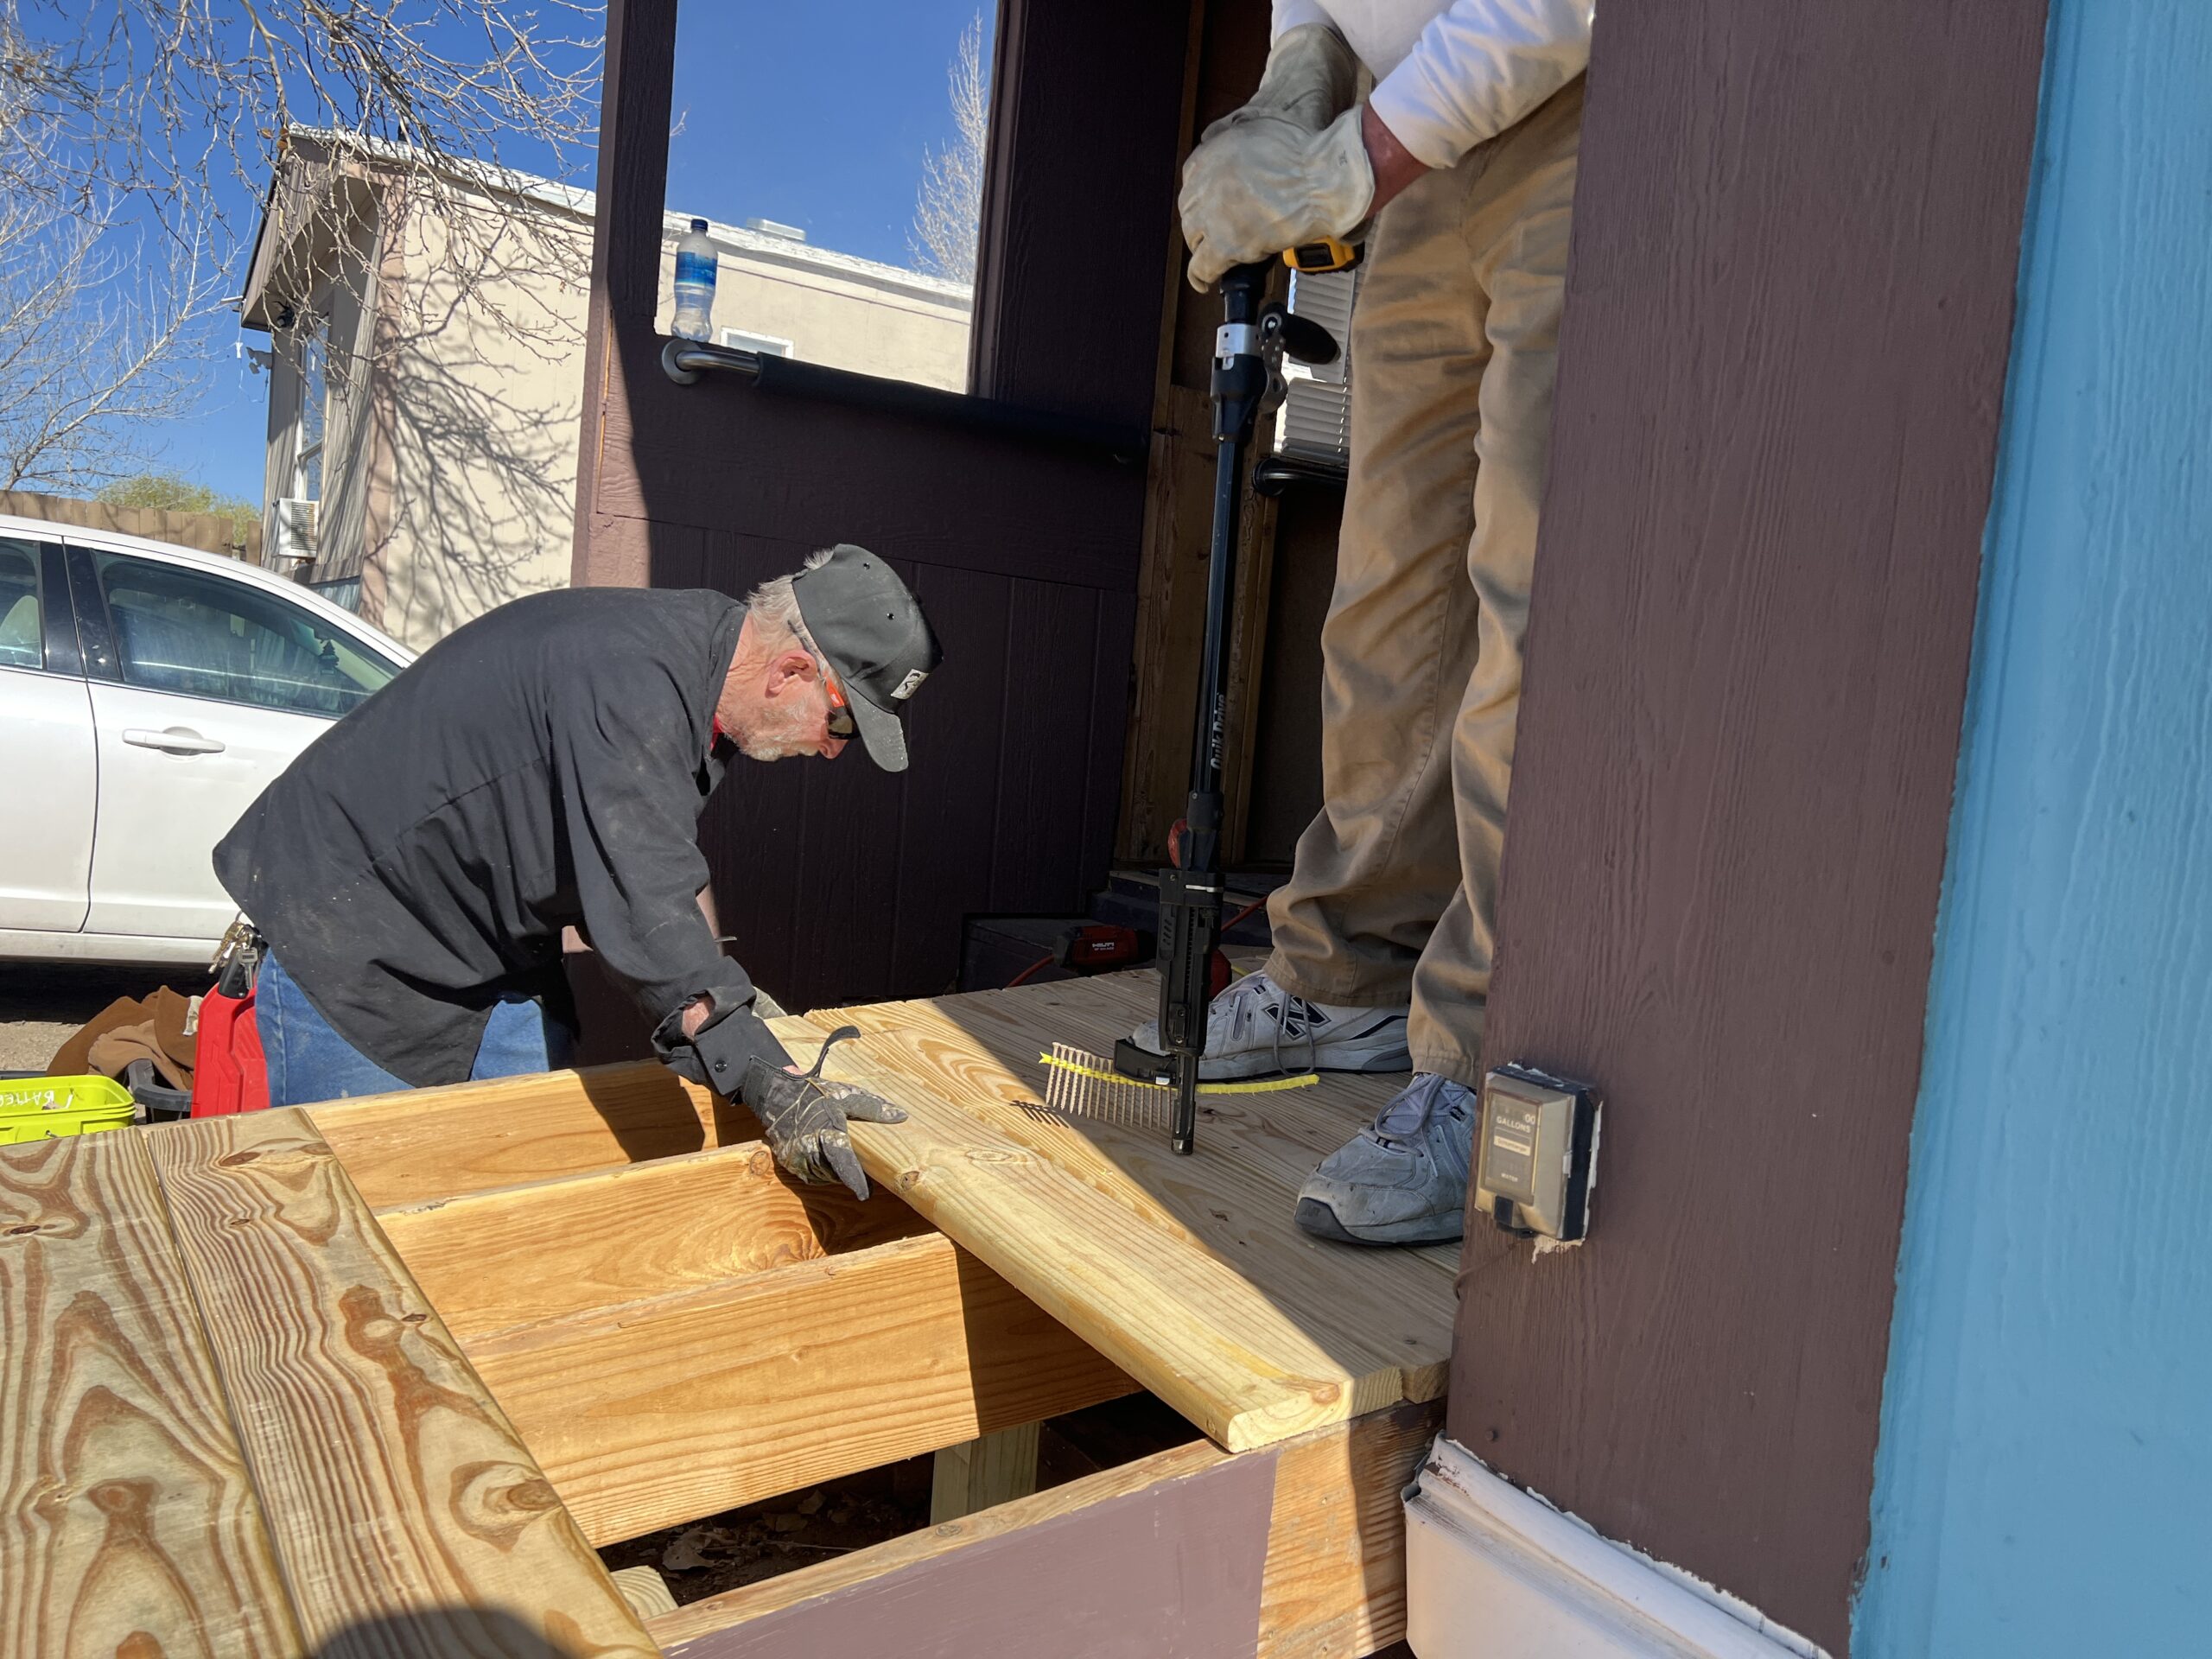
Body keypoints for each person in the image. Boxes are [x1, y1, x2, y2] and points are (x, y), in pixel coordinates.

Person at [1128, 3, 1593, 1244]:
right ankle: (1348, 973)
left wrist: (1347, 162)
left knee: (1527, 600)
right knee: (1389, 599)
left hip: (1578, 117)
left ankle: (1475, 1055)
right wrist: (1299, 78)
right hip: (1422, 169)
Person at [216, 543, 940, 1198]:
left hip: (487, 938)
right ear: (791, 671)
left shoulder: (703, 663)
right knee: (367, 1211)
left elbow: (659, 857)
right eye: (842, 723)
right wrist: (753, 1062)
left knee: (532, 1188)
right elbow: (640, 889)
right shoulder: (633, 680)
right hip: (355, 933)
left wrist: (731, 1003)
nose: (835, 749)